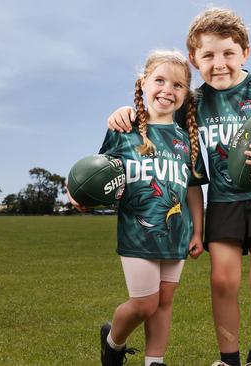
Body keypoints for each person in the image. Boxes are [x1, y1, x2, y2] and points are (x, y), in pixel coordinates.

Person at [106, 8, 251, 366]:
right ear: (195, 60)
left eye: (228, 53)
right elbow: (158, 114)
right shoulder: (195, 102)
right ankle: (228, 360)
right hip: (224, 200)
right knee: (223, 282)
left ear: (244, 52)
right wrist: (125, 110)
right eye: (209, 55)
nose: (220, 63)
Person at [70, 50, 207, 366]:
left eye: (177, 85)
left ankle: (154, 361)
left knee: (165, 301)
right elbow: (95, 171)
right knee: (145, 304)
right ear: (143, 83)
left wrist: (199, 230)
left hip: (177, 231)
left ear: (186, 93)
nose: (167, 91)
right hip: (137, 231)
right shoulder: (124, 128)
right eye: (159, 80)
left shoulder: (188, 139)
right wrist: (78, 195)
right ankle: (113, 341)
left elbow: (192, 188)